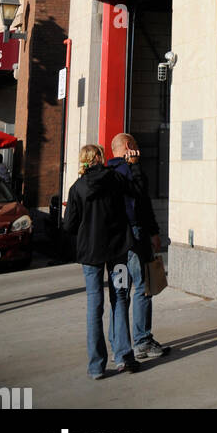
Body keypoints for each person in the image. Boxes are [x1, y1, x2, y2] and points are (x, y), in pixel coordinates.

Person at [62, 144, 137, 379]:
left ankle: (96, 366)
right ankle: (123, 356)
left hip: (90, 253)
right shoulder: (115, 178)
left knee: (94, 305)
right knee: (121, 297)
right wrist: (132, 167)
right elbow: (135, 191)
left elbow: (69, 226)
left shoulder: (76, 188)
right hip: (119, 250)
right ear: (99, 158)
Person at [107, 132, 170, 362]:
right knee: (144, 287)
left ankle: (118, 342)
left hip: (117, 242)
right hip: (134, 236)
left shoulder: (108, 173)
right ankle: (142, 340)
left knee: (120, 293)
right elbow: (140, 202)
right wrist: (152, 231)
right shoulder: (128, 171)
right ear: (127, 146)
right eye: (135, 144)